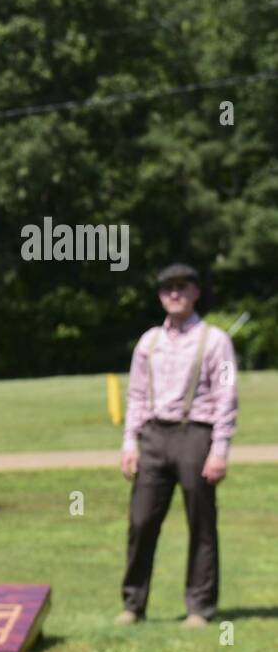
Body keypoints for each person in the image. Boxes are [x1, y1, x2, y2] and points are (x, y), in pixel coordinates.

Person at [118, 263, 237, 629]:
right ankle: (133, 604)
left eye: (182, 287)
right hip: (153, 436)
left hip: (195, 434)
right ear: (160, 295)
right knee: (141, 521)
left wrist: (219, 450)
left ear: (195, 292)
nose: (174, 294)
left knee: (201, 522)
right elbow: (137, 395)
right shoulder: (148, 341)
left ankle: (199, 607)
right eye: (167, 288)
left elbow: (226, 396)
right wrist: (130, 443)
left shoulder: (215, 340)